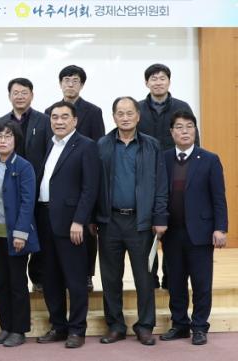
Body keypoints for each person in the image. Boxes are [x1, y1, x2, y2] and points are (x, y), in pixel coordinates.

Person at [95, 96, 168, 346]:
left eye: (129, 113)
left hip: (141, 222)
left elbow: (161, 185)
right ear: (113, 117)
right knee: (110, 278)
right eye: (120, 113)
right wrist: (94, 217)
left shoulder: (152, 145)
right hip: (110, 221)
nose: (125, 117)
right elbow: (94, 185)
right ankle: (115, 325)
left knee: (145, 278)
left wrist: (160, 217)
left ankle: (145, 325)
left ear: (138, 116)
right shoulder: (102, 145)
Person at [160, 111, 227, 345]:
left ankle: (199, 326)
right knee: (176, 282)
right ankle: (180, 325)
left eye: (189, 126)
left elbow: (218, 197)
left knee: (201, 283)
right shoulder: (164, 158)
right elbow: (159, 194)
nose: (185, 131)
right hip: (172, 232)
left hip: (201, 232)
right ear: (172, 133)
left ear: (195, 131)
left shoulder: (209, 159)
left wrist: (220, 228)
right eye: (179, 127)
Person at [35, 101, 99, 349]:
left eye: (64, 117)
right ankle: (58, 326)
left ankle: (77, 329)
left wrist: (79, 220)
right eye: (54, 117)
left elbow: (90, 188)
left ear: (75, 120)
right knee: (50, 278)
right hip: (45, 219)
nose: (59, 121)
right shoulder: (50, 144)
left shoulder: (86, 146)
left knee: (75, 279)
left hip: (71, 223)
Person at [138, 63, 199, 289]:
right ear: (146, 83)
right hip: (145, 176)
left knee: (172, 227)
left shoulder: (182, 107)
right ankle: (150, 277)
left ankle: (170, 277)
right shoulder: (138, 108)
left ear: (169, 81)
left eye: (162, 78)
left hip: (176, 174)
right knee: (148, 228)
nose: (158, 82)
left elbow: (193, 141)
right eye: (153, 78)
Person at [44, 65, 105, 291]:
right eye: (66, 80)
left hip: (83, 178)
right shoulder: (50, 110)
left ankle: (87, 274)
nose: (70, 84)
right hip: (59, 186)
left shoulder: (93, 111)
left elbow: (98, 146)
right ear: (60, 84)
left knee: (85, 235)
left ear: (82, 84)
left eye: (75, 80)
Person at [0, 77, 52, 291]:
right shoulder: (0, 122)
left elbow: (49, 154)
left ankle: (37, 276)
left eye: (24, 92)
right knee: (10, 237)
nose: (20, 96)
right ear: (9, 96)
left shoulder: (44, 121)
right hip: (8, 190)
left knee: (35, 233)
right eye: (15, 92)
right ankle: (6, 279)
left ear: (32, 95)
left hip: (36, 187)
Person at [0, 120, 38, 348]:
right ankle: (6, 327)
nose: (3, 140)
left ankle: (19, 329)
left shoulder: (24, 166)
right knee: (2, 283)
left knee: (17, 284)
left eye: (8, 136)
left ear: (16, 140)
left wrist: (20, 233)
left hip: (15, 235)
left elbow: (28, 202)